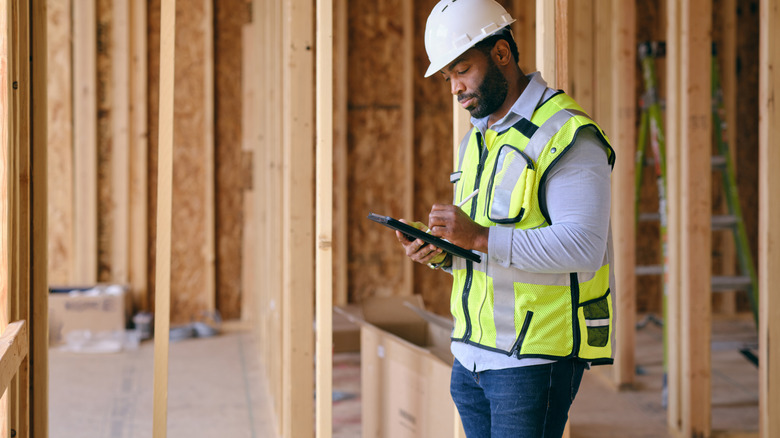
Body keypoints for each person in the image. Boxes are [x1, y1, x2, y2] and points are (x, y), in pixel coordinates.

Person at [395, 1, 616, 436]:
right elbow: (484, 245)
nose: (455, 89)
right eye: (448, 78)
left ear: (500, 55)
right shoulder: (479, 139)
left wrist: (476, 236)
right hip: (472, 354)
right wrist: (443, 251)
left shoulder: (567, 134)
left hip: (534, 360)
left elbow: (584, 248)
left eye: (461, 70)